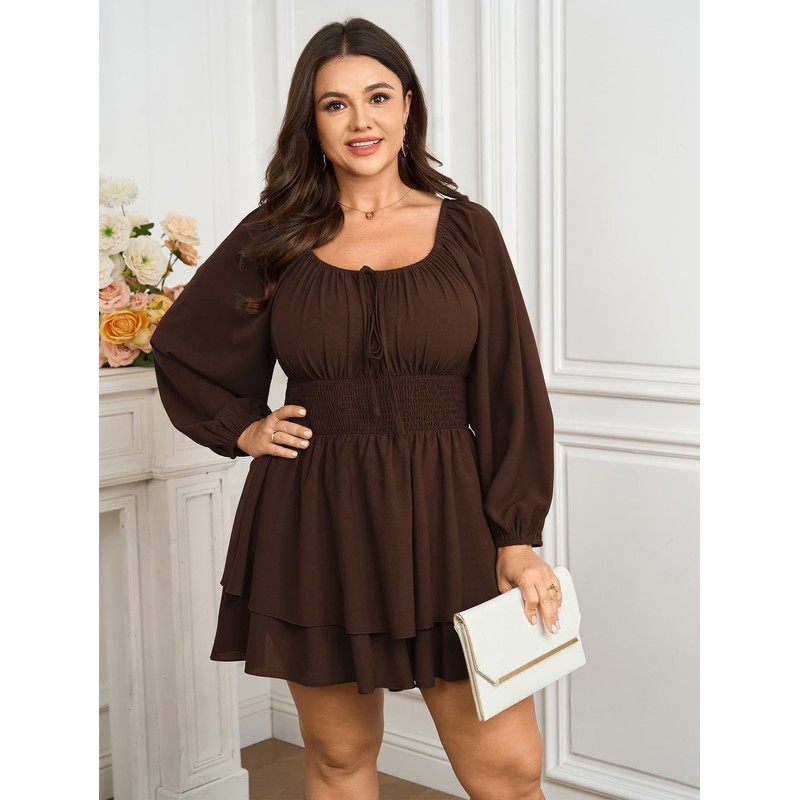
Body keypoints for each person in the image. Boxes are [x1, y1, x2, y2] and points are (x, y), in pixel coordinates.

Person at [151, 17, 561, 800]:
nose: (360, 121)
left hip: (449, 516)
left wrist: (517, 535)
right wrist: (243, 428)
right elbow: (182, 347)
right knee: (339, 757)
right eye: (334, 104)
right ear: (312, 122)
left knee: (509, 768)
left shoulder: (469, 231)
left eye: (377, 97)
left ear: (408, 105)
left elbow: (512, 387)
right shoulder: (276, 235)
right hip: (315, 518)